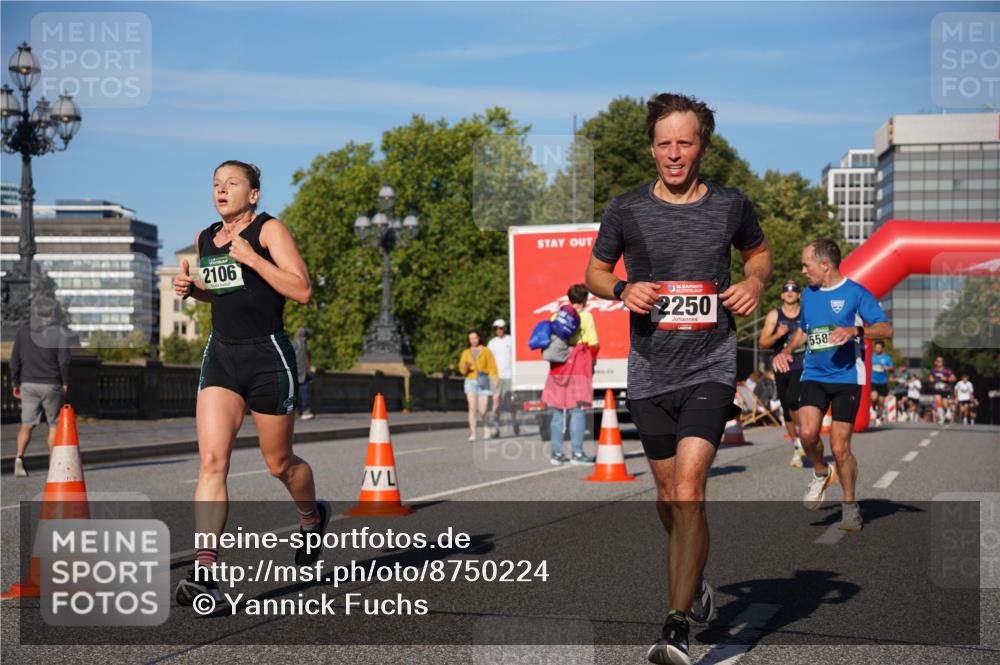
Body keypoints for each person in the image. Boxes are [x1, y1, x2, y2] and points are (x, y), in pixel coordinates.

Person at [585, 92, 771, 665]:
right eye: (664, 143)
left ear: (703, 146)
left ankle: (675, 625)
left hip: (711, 364)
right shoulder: (625, 209)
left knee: (689, 490)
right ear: (652, 148)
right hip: (648, 370)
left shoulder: (731, 206)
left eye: (684, 142)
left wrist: (756, 284)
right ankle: (697, 582)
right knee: (667, 498)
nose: (673, 153)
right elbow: (593, 271)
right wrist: (621, 289)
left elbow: (758, 255)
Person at [172, 160, 325, 607]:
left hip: (268, 358)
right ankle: (205, 572)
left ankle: (311, 517)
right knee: (212, 463)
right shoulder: (206, 239)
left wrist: (253, 256)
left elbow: (301, 291)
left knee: (280, 465)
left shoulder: (268, 230)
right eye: (216, 184)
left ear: (253, 194)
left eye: (232, 184)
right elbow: (229, 292)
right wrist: (192, 290)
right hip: (221, 356)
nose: (221, 190)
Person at [773, 239, 892, 534]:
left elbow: (886, 328)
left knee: (840, 448)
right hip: (814, 374)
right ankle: (821, 471)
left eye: (806, 264)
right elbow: (804, 329)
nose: (802, 270)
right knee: (809, 434)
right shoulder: (809, 296)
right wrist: (787, 351)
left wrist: (857, 330)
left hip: (847, 378)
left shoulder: (855, 293)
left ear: (824, 265)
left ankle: (850, 507)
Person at [9, 296, 70, 477]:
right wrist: (65, 381)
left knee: (26, 425)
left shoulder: (23, 331)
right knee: (53, 426)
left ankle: (19, 458)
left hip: (28, 383)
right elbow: (64, 360)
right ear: (52, 312)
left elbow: (14, 360)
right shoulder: (60, 333)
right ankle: (53, 465)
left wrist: (15, 382)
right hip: (51, 383)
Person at [543, 284, 599, 466]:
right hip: (578, 365)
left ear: (569, 299)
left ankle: (557, 454)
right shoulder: (586, 316)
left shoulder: (555, 316)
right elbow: (594, 343)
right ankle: (577, 453)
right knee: (577, 410)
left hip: (558, 367)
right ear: (585, 299)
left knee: (558, 411)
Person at [759, 279, 806, 466]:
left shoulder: (806, 314)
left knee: (794, 399)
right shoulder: (774, 315)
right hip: (781, 365)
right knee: (787, 405)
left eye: (794, 289)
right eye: (786, 289)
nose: (789, 292)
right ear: (781, 295)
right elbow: (762, 343)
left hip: (802, 363)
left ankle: (804, 437)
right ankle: (797, 445)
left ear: (799, 294)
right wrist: (778, 335)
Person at [459, 330, 498, 441]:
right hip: (470, 381)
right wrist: (466, 367)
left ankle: (486, 427)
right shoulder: (466, 353)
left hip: (484, 381)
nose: (473, 340)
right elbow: (462, 370)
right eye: (470, 339)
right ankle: (473, 433)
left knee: (482, 409)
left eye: (475, 338)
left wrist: (495, 381)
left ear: (479, 338)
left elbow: (492, 367)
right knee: (472, 408)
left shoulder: (486, 351)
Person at [487, 319, 519, 437]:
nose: (498, 330)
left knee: (511, 402)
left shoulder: (511, 340)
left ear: (505, 328)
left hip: (510, 376)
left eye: (500, 328)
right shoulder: (491, 343)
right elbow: (489, 360)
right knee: (496, 403)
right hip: (496, 377)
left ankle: (515, 422)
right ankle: (496, 428)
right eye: (496, 328)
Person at [292, 326, 315, 420]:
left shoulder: (296, 344)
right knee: (303, 393)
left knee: (296, 393)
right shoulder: (298, 344)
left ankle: (296, 411)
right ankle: (304, 410)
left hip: (298, 373)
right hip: (300, 373)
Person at [870, 341, 893, 426]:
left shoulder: (887, 358)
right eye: (876, 347)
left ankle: (878, 418)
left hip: (883, 382)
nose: (878, 349)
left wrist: (888, 368)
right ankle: (873, 405)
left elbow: (892, 370)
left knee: (881, 402)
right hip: (873, 381)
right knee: (873, 397)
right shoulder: (871, 356)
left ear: (882, 348)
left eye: (879, 347)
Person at [928, 356, 956, 424]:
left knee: (945, 405)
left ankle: (948, 412)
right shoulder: (934, 370)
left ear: (943, 362)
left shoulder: (947, 370)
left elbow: (954, 378)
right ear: (936, 362)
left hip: (945, 390)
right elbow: (930, 377)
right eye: (938, 361)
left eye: (941, 361)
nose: (939, 362)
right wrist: (931, 379)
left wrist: (946, 379)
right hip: (937, 389)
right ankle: (941, 418)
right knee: (938, 402)